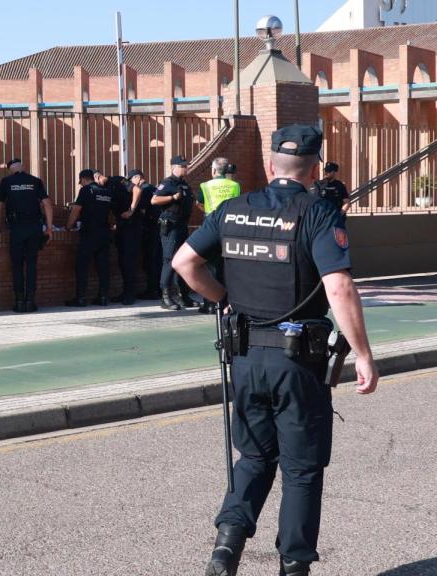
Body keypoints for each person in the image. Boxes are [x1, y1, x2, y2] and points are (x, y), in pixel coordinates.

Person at [173, 124, 379, 576]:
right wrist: (363, 354)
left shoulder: (232, 209)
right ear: (315, 168)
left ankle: (224, 552)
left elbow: (184, 262)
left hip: (245, 358)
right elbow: (339, 287)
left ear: (270, 165)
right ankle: (294, 565)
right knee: (302, 469)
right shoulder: (319, 213)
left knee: (254, 457)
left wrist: (223, 297)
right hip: (297, 364)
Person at [0, 158, 53, 313]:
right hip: (34, 227)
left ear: (9, 170)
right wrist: (49, 228)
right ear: (23, 167)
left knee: (17, 264)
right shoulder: (35, 181)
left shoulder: (6, 182)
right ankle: (30, 302)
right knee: (32, 264)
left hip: (17, 228)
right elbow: (47, 204)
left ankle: (19, 302)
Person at [195, 157, 242, 314]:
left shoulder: (205, 185)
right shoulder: (235, 185)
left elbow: (198, 203)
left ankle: (210, 303)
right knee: (227, 265)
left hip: (211, 227)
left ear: (214, 171)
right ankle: (228, 303)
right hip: (230, 227)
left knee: (210, 267)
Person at [151, 155, 195, 311]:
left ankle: (183, 295)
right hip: (170, 226)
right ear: (174, 167)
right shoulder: (168, 183)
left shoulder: (183, 184)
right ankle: (165, 297)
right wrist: (172, 197)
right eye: (183, 166)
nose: (186, 168)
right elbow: (154, 200)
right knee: (169, 260)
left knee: (182, 261)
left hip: (182, 226)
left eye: (186, 165)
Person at [64, 169, 113, 307]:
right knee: (103, 267)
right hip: (104, 233)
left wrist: (68, 226)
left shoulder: (86, 190)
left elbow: (76, 210)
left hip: (89, 233)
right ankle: (103, 297)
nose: (81, 184)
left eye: (81, 182)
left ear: (84, 179)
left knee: (82, 266)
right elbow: (110, 213)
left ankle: (80, 298)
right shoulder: (106, 191)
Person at [109, 173, 142, 305]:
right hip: (121, 227)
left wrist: (131, 210)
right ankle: (125, 292)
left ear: (97, 177)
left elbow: (137, 190)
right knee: (122, 261)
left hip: (132, 226)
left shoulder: (116, 180)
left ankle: (130, 294)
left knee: (129, 261)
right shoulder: (104, 191)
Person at [133, 170, 162, 300]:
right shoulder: (154, 188)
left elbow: (142, 210)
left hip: (148, 228)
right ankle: (160, 289)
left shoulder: (143, 190)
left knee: (150, 261)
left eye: (131, 179)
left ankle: (152, 290)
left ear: (138, 178)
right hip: (158, 227)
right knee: (158, 260)